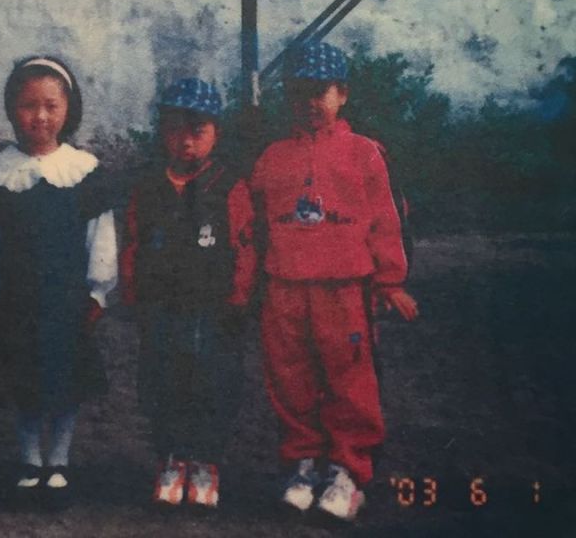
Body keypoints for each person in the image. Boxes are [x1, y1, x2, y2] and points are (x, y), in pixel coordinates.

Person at [250, 41, 418, 521]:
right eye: (299, 91)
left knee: (350, 379)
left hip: (345, 289)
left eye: (318, 91)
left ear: (341, 93)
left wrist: (390, 282)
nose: (309, 102)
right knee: (290, 377)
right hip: (284, 287)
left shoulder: (364, 153)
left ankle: (348, 471)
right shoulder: (272, 158)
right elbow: (255, 225)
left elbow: (388, 220)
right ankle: (303, 464)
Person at [0, 55, 118, 501]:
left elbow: (101, 234)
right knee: (24, 381)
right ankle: (30, 457)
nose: (40, 116)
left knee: (66, 382)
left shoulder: (84, 172)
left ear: (69, 109)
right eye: (29, 105)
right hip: (17, 301)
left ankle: (60, 459)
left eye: (51, 105)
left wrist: (97, 290)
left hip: (67, 301)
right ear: (12, 109)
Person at [120, 78, 257, 509]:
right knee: (162, 382)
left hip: (213, 311)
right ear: (163, 132)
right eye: (177, 129)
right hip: (161, 307)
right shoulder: (147, 186)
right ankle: (170, 459)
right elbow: (133, 241)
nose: (187, 141)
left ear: (216, 133)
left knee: (211, 385)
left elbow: (245, 245)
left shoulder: (228, 185)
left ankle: (205, 462)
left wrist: (238, 298)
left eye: (198, 131)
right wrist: (131, 292)